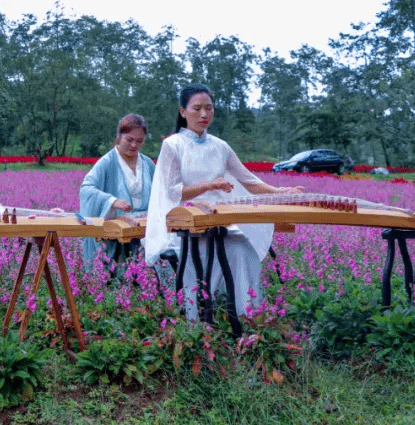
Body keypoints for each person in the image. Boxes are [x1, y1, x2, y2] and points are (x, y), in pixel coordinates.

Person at [145, 85, 302, 320]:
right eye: (196, 109)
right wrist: (210, 185)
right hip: (188, 224)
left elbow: (250, 181)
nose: (203, 115)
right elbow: (174, 191)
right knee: (205, 260)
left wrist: (280, 192)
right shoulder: (173, 145)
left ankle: (245, 317)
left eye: (209, 109)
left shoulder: (220, 146)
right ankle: (201, 319)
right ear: (183, 112)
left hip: (219, 220)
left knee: (243, 252)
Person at [79, 114, 155, 273]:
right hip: (117, 230)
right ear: (119, 136)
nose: (134, 145)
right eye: (129, 139)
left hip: (144, 229)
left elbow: (159, 192)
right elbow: (86, 189)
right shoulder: (107, 162)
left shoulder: (147, 163)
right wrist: (112, 201)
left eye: (139, 141)